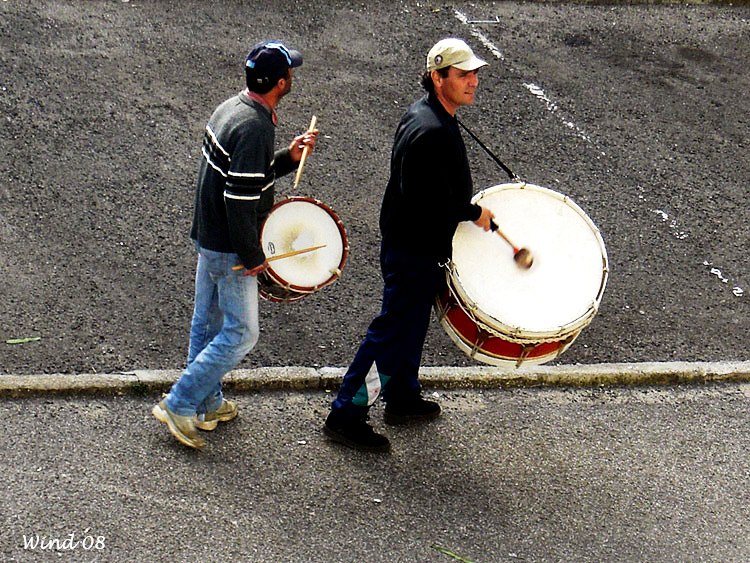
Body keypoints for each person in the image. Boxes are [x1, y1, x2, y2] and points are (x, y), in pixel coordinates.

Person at [323, 38, 494, 452]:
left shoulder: (429, 114)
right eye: (462, 74)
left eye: (474, 73)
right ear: (438, 78)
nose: (472, 81)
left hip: (413, 243)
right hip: (414, 248)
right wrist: (473, 214)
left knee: (412, 324)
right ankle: (346, 413)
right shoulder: (431, 130)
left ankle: (401, 394)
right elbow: (426, 199)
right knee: (393, 330)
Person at [153, 40, 319, 449]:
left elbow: (244, 176)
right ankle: (181, 402)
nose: (292, 77)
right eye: (289, 73)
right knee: (242, 333)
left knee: (206, 323)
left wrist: (287, 158)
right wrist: (254, 257)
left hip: (209, 237)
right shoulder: (255, 127)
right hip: (230, 247)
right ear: (280, 81)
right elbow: (239, 201)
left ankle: (206, 403)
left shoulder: (233, 108)